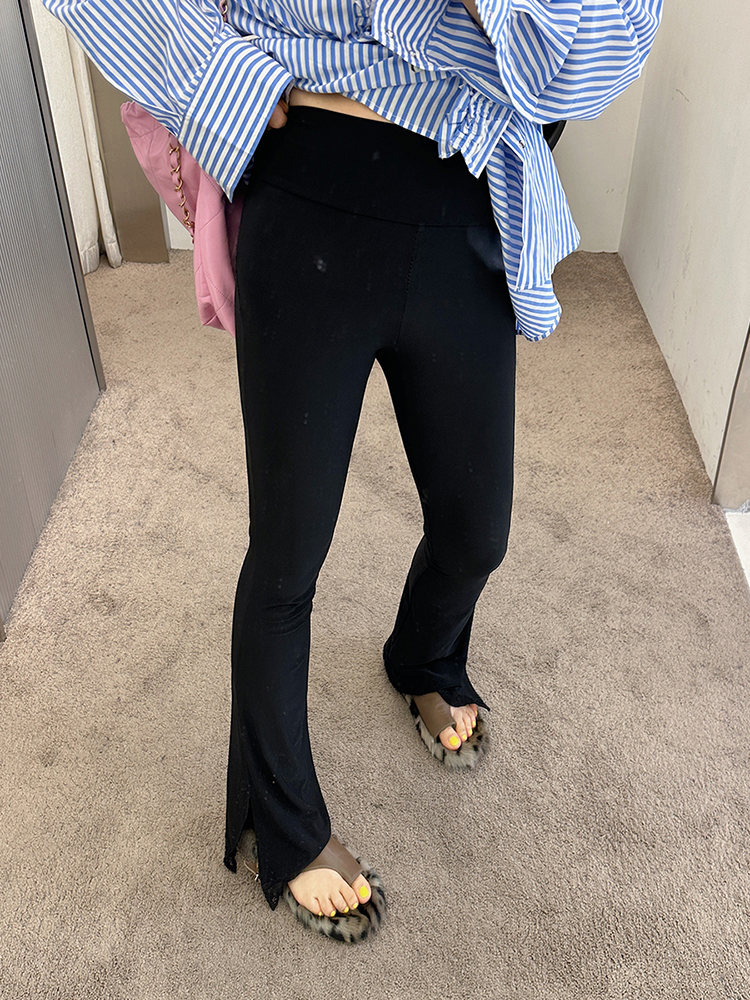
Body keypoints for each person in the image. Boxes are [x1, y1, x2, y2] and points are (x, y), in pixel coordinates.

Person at [44, 0, 664, 943]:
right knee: (287, 553)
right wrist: (212, 73)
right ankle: (286, 825)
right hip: (308, 184)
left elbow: (606, 51)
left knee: (476, 530)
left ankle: (422, 655)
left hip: (464, 193)